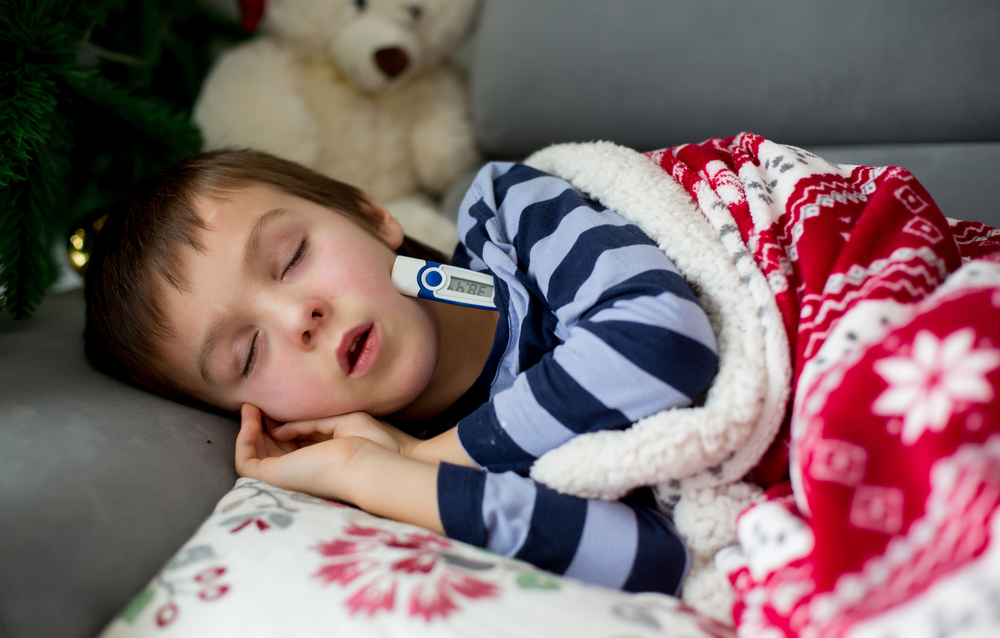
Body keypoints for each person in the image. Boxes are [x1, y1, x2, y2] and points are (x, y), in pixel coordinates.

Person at [84, 150, 719, 596]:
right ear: (268, 418)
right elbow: (659, 559)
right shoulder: (412, 493)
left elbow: (663, 343)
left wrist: (431, 455)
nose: (299, 316)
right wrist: (364, 470)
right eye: (249, 353)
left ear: (373, 216)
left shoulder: (507, 211)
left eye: (292, 256)